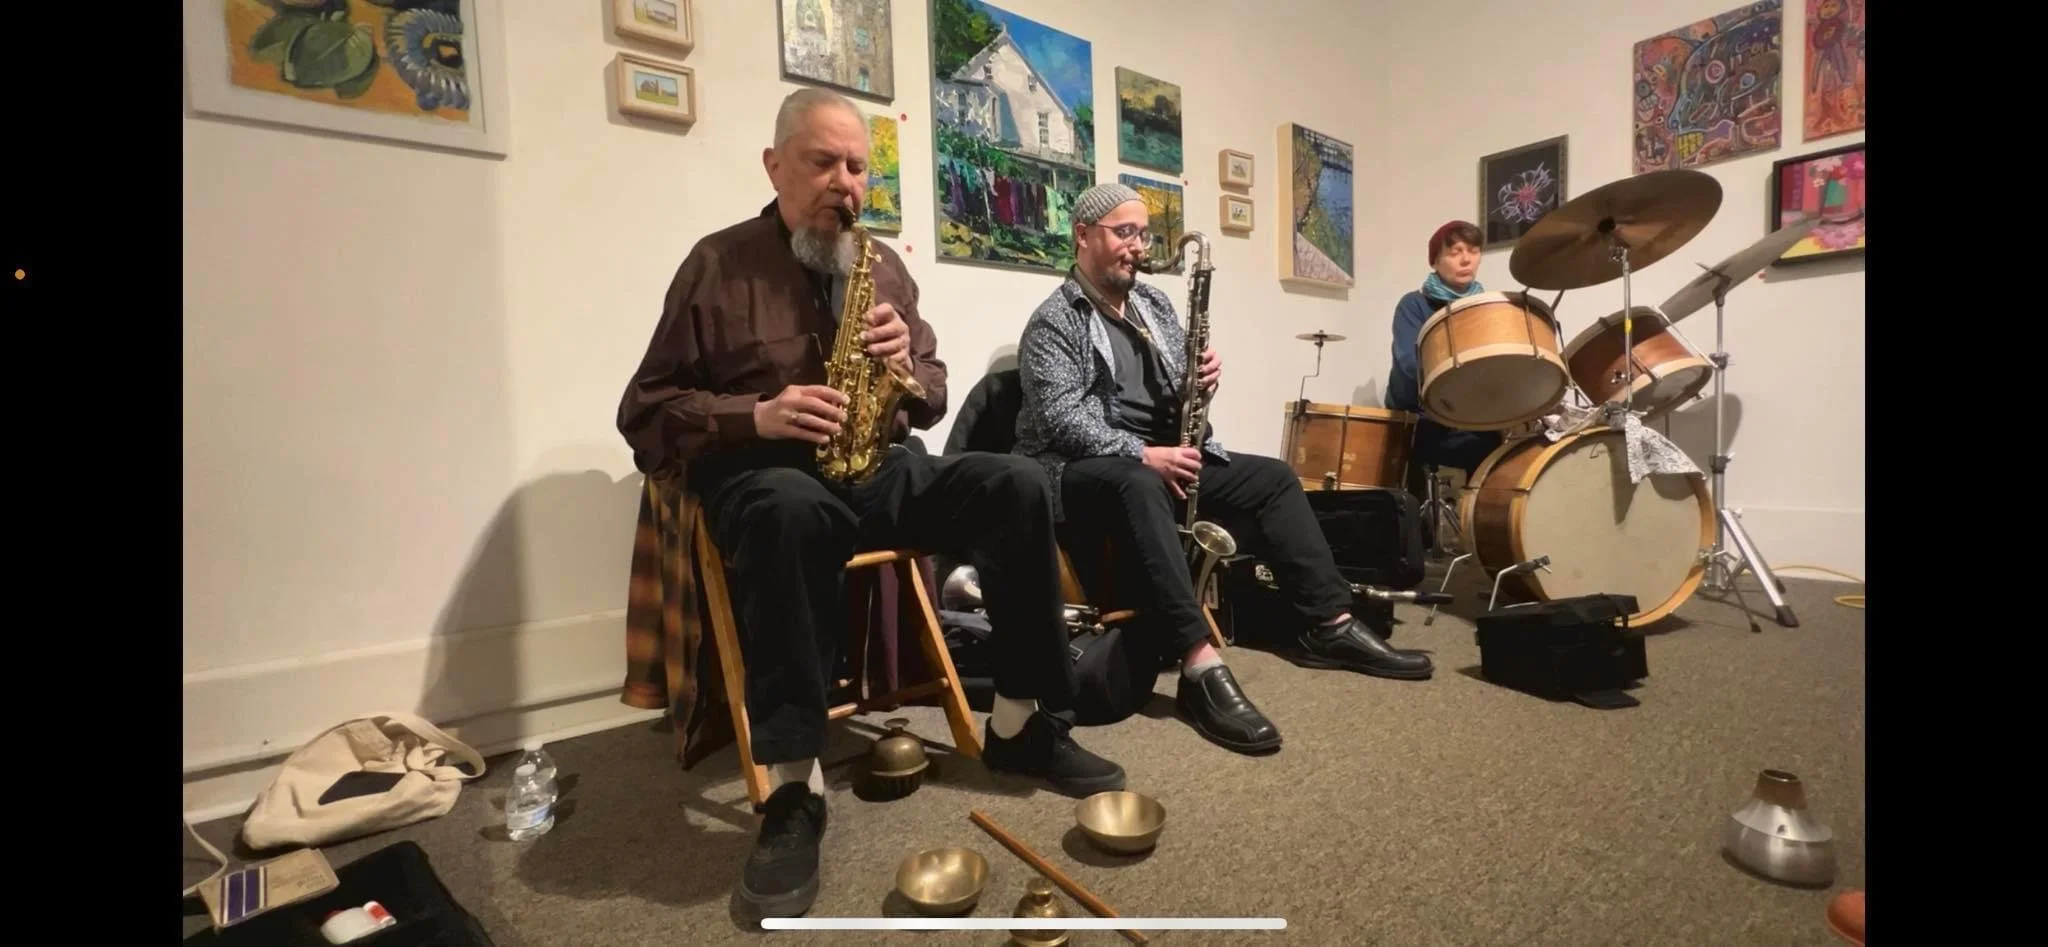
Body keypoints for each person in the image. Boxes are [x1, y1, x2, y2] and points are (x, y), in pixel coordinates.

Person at [616, 88, 1126, 919]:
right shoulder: (717, 263)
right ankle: (792, 787)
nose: (843, 183)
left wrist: (903, 370)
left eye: (857, 166)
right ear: (775, 165)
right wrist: (757, 414)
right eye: (823, 161)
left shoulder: (882, 266)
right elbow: (644, 410)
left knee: (1015, 480)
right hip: (767, 476)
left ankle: (1020, 722)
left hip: (874, 466)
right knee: (791, 510)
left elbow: (931, 392)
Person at [1012, 183, 1434, 757]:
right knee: (1138, 481)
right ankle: (1197, 663)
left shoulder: (1153, 305)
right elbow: (1059, 418)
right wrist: (1141, 453)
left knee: (1274, 479)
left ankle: (1329, 622)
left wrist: (1202, 380)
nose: (1137, 246)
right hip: (1081, 468)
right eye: (1122, 232)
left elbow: (1179, 395)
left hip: (1165, 453)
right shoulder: (1054, 319)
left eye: (1142, 233)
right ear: (1084, 236)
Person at [1385, 220, 1505, 478]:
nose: (1466, 260)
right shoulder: (1413, 305)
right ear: (1435, 261)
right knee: (1484, 448)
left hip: (1472, 418)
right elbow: (1408, 365)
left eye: (1473, 251)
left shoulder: (1484, 307)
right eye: (1455, 252)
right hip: (1421, 420)